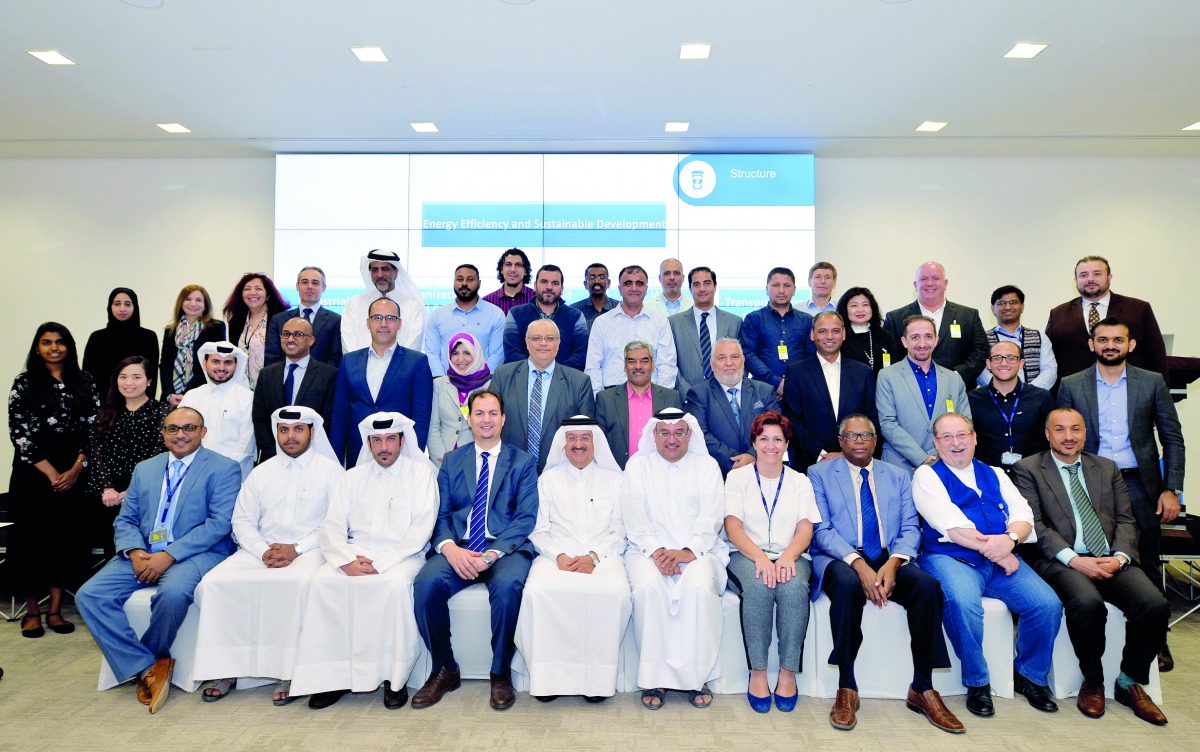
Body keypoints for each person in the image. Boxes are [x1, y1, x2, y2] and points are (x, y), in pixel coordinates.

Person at [75, 406, 240, 713]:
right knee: (90, 595)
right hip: (141, 553)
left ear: (203, 432)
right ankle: (148, 666)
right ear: (163, 434)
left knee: (173, 594)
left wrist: (169, 555)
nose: (181, 435)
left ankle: (148, 660)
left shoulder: (223, 468)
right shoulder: (145, 468)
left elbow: (219, 524)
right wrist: (135, 552)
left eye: (189, 428)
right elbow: (126, 519)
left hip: (196, 552)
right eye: (173, 429)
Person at [1013, 408, 1169, 725]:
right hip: (1062, 561)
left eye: (1075, 429)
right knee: (1087, 603)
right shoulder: (1027, 469)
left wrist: (1120, 557)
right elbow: (1036, 526)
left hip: (1111, 557)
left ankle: (1129, 682)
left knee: (1155, 604)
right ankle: (1093, 681)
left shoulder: (1106, 468)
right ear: (1047, 434)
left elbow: (1126, 519)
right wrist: (1075, 560)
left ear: (1085, 432)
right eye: (1060, 430)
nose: (1068, 436)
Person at [808, 415, 961, 733]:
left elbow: (910, 528)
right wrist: (859, 565)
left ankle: (922, 686)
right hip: (843, 557)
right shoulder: (818, 474)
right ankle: (847, 686)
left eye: (866, 435)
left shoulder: (898, 475)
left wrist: (893, 564)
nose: (860, 440)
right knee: (848, 584)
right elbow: (821, 530)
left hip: (889, 557)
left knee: (927, 587)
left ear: (876, 440)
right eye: (852, 435)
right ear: (841, 441)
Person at [911, 413, 1062, 717]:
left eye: (962, 435)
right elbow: (952, 527)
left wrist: (1009, 542)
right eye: (947, 437)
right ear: (936, 443)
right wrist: (1001, 550)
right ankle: (978, 682)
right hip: (951, 557)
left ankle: (1030, 676)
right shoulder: (926, 476)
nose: (956, 443)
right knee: (964, 603)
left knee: (1047, 604)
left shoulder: (995, 473)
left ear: (975, 437)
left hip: (1000, 556)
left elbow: (1023, 516)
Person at [191, 406, 343, 705]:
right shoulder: (261, 472)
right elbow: (242, 521)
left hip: (310, 551)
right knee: (215, 583)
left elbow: (334, 524)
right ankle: (226, 669)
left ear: (312, 432)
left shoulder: (331, 472)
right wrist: (262, 550)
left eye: (298, 429)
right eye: (284, 430)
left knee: (296, 584)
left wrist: (296, 549)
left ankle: (288, 671)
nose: (290, 437)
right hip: (258, 550)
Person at [1057, 317, 1184, 671]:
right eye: (1103, 339)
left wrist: (1171, 489)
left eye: (1117, 340)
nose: (1109, 345)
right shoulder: (1071, 384)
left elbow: (1172, 438)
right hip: (1088, 484)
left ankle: (1157, 642)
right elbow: (1060, 438)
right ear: (1091, 344)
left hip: (1140, 485)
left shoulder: (1152, 382)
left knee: (1146, 559)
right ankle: (1093, 637)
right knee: (1091, 552)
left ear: (1131, 345)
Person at [291, 412, 438, 710]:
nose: (384, 446)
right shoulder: (351, 477)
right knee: (322, 583)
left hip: (402, 558)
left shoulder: (422, 474)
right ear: (368, 443)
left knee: (393, 588)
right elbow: (330, 527)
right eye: (376, 440)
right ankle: (333, 678)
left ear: (401, 441)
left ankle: (392, 680)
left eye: (390, 439)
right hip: (353, 556)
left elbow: (421, 530)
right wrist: (345, 561)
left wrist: (381, 564)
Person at [411, 390, 539, 711]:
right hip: (460, 548)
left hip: (504, 551)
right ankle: (445, 668)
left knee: (509, 587)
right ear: (469, 419)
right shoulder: (453, 460)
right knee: (426, 584)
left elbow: (525, 518)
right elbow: (438, 515)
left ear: (503, 419)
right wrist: (450, 549)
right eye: (479, 413)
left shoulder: (522, 462)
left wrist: (491, 554)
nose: (486, 420)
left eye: (492, 413)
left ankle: (500, 672)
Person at [514, 416, 630, 702]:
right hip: (555, 556)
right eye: (572, 439)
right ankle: (547, 680)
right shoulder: (548, 480)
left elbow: (622, 529)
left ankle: (596, 682)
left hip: (603, 556)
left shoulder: (615, 480)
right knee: (538, 592)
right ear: (563, 444)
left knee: (613, 591)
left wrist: (594, 556)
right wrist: (559, 556)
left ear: (595, 443)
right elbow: (538, 529)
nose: (578, 445)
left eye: (585, 438)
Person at [622, 408, 728, 710]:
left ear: (689, 435)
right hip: (646, 551)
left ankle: (698, 676)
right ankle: (654, 677)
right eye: (665, 433)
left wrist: (686, 552)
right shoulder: (637, 466)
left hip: (698, 552)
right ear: (654, 435)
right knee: (647, 590)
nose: (672, 439)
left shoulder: (706, 467)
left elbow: (711, 517)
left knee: (697, 590)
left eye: (679, 432)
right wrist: (657, 551)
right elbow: (634, 516)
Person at [723, 411, 820, 714]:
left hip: (790, 553)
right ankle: (759, 673)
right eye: (763, 438)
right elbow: (733, 527)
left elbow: (806, 528)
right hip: (746, 554)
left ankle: (788, 673)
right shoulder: (737, 478)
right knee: (758, 588)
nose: (770, 445)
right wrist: (762, 558)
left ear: (787, 443)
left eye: (778, 439)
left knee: (792, 591)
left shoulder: (800, 480)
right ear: (754, 442)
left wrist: (788, 556)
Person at [8, 322, 100, 638]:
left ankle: (56, 610)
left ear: (69, 347)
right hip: (33, 473)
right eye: (47, 342)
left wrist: (75, 469)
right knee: (30, 542)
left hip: (74, 472)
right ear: (37, 347)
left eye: (60, 342)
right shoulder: (24, 383)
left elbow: (93, 429)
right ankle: (32, 611)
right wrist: (51, 474)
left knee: (65, 540)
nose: (54, 348)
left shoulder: (85, 382)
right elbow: (19, 433)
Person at [328, 297, 434, 465]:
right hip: (358, 452)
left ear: (399, 324)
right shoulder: (349, 361)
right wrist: (335, 461)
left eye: (390, 318)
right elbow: (340, 415)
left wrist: (414, 456)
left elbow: (421, 416)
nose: (383, 324)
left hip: (401, 455)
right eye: (377, 318)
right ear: (368, 322)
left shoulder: (417, 362)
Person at [89, 356, 171, 557]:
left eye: (136, 377)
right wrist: (107, 488)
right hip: (108, 492)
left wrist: (132, 490)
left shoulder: (163, 411)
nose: (128, 383)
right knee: (112, 548)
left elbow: (159, 451)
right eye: (123, 377)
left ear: (149, 381)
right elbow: (97, 451)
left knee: (144, 546)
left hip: (147, 489)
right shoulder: (105, 412)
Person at [490, 319, 595, 472]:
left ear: (558, 342)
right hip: (509, 469)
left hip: (561, 472)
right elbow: (491, 422)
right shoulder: (503, 375)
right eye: (536, 338)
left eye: (550, 338)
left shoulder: (579, 382)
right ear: (526, 342)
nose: (543, 343)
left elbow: (586, 434)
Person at [1045, 255, 1168, 382]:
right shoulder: (1058, 313)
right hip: (1075, 392)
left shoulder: (1139, 309)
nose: (1090, 279)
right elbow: (1048, 358)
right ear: (1075, 280)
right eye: (1083, 275)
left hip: (1130, 388)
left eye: (1097, 274)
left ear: (1109, 277)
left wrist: (1162, 394)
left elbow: (1156, 355)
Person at [781, 312, 877, 472]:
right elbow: (792, 420)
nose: (829, 336)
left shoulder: (863, 372)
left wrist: (844, 453)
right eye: (822, 331)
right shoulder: (797, 372)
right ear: (812, 335)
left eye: (836, 331)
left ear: (844, 334)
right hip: (811, 463)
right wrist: (821, 454)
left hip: (856, 462)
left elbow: (871, 418)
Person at [876, 316, 971, 472]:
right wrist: (921, 458)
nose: (922, 343)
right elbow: (887, 424)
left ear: (936, 340)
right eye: (915, 337)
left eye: (928, 336)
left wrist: (937, 458)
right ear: (904, 341)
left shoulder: (953, 379)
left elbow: (964, 423)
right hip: (900, 466)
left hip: (945, 464)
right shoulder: (887, 376)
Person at [883, 262, 990, 388]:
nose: (930, 283)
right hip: (910, 389)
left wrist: (956, 375)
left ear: (946, 283)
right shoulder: (895, 318)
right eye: (924, 279)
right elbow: (889, 355)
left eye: (935, 278)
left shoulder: (968, 315)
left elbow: (981, 351)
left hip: (958, 389)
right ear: (915, 285)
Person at [686, 338, 778, 477]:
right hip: (718, 474)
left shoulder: (764, 391)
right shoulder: (698, 394)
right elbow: (700, 434)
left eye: (734, 357)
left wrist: (751, 455)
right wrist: (735, 462)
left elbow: (776, 428)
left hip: (761, 470)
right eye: (722, 358)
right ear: (712, 364)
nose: (729, 363)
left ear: (743, 360)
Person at [252, 316, 338, 461]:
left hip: (314, 457)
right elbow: (259, 418)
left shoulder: (328, 374)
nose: (290, 339)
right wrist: (275, 452)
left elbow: (329, 419)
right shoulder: (267, 374)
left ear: (311, 340)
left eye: (298, 334)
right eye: (286, 334)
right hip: (274, 457)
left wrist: (308, 452)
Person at [585, 264, 678, 393]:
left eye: (639, 283)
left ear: (646, 289)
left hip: (651, 395)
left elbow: (667, 366)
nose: (634, 288)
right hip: (610, 395)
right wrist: (598, 399)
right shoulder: (602, 323)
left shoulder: (660, 322)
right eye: (628, 283)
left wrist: (661, 399)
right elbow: (593, 367)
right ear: (619, 289)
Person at [967, 341, 1054, 473]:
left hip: (1032, 479)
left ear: (1021, 363)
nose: (1004, 363)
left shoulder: (1041, 398)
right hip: (988, 479)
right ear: (988, 364)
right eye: (997, 358)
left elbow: (1052, 440)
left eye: (1011, 358)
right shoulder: (972, 399)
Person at [594, 341, 684, 469]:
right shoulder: (606, 400)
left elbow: (679, 440)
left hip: (661, 475)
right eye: (631, 362)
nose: (638, 366)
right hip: (618, 474)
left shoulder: (671, 398)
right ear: (625, 366)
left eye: (644, 361)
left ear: (653, 365)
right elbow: (599, 444)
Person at [179, 342, 255, 480]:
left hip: (232, 475)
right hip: (192, 473)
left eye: (228, 362)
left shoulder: (247, 398)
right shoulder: (191, 396)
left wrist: (221, 472)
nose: (221, 367)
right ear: (204, 363)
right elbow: (180, 436)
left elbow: (245, 446)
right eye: (216, 361)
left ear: (236, 366)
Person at [739, 267, 815, 399]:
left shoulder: (807, 320)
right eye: (776, 285)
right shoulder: (753, 319)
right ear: (767, 289)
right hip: (763, 392)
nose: (781, 290)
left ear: (794, 289)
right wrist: (776, 382)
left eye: (786, 285)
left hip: (799, 392)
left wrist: (792, 385)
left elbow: (812, 356)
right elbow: (747, 354)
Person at [668, 266, 742, 399]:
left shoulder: (734, 321)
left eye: (707, 283)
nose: (702, 289)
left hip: (727, 397)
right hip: (688, 399)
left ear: (715, 286)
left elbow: (741, 361)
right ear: (690, 289)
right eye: (696, 284)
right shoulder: (674, 323)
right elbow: (670, 364)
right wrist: (689, 394)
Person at [424, 263, 506, 375]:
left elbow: (497, 354)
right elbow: (432, 353)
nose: (464, 283)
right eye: (460, 279)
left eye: (470, 279)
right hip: (446, 383)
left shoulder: (495, 314)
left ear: (479, 283)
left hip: (484, 385)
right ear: (454, 282)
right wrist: (440, 380)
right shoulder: (438, 315)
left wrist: (484, 381)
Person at [503, 264, 589, 369]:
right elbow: (511, 352)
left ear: (562, 289)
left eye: (555, 283)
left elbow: (581, 355)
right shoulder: (515, 314)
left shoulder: (576, 316)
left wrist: (554, 374)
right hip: (524, 380)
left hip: (566, 381)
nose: (549, 287)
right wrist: (535, 373)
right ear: (535, 286)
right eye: (544, 282)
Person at [340, 250, 426, 353]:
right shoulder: (355, 304)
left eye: (385, 269)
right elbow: (348, 343)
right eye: (374, 270)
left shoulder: (412, 307)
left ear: (396, 272)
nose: (379, 275)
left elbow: (412, 347)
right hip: (360, 368)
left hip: (399, 368)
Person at [428, 333, 492, 468]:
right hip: (442, 459)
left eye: (467, 353)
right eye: (455, 353)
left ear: (476, 354)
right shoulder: (439, 384)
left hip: (478, 460)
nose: (460, 359)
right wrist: (442, 459)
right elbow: (433, 426)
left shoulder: (491, 385)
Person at [976, 285, 1057, 390]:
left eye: (1013, 302)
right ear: (993, 308)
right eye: (1001, 303)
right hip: (994, 400)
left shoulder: (1039, 337)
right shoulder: (982, 339)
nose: (1008, 307)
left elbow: (1049, 369)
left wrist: (1028, 392)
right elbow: (979, 370)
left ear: (1022, 307)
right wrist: (1001, 390)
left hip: (1034, 400)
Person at [159, 284, 226, 406]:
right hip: (171, 397)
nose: (193, 304)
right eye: (188, 299)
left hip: (203, 393)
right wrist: (169, 393)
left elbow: (213, 363)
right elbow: (165, 365)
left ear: (206, 305)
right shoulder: (170, 330)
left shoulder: (216, 327)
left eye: (198, 300)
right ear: (181, 303)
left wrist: (187, 393)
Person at [265, 265, 343, 368]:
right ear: (297, 286)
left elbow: (336, 358)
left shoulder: (336, 320)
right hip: (285, 380)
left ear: (324, 287)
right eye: (305, 282)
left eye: (315, 283)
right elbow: (272, 357)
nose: (309, 286)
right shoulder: (278, 320)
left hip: (322, 381)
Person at [82, 287, 159, 390]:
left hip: (138, 400)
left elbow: (151, 376)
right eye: (117, 304)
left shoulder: (148, 337)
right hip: (104, 401)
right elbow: (88, 376)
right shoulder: (97, 338)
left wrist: (147, 404)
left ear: (134, 307)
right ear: (110, 307)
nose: (122, 309)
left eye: (127, 304)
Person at [223, 272, 288, 390]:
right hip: (241, 388)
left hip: (272, 386)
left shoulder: (281, 320)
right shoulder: (236, 322)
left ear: (268, 295)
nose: (252, 293)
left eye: (258, 288)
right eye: (247, 289)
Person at [837, 287, 897, 376]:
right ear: (845, 309)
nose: (860, 310)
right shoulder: (840, 337)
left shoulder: (885, 336)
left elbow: (895, 367)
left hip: (882, 388)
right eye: (854, 305)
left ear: (872, 308)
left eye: (865, 305)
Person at [482, 247, 536, 314]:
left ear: (525, 271)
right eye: (508, 264)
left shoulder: (536, 298)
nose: (513, 269)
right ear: (501, 269)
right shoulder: (488, 301)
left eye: (518, 265)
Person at [570, 261, 619, 331]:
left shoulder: (619, 308)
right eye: (592, 277)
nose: (597, 281)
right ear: (585, 284)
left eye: (601, 277)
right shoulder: (574, 311)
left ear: (608, 283)